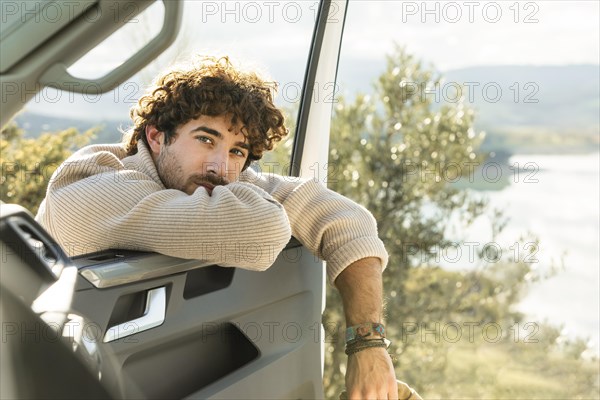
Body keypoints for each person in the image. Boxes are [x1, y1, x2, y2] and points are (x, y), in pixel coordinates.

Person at [36, 56, 415, 399]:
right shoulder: (89, 185)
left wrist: (367, 344)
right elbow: (262, 234)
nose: (221, 166)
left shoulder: (210, 184)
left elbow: (350, 221)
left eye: (238, 151)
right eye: (205, 139)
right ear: (156, 135)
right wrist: (252, 186)